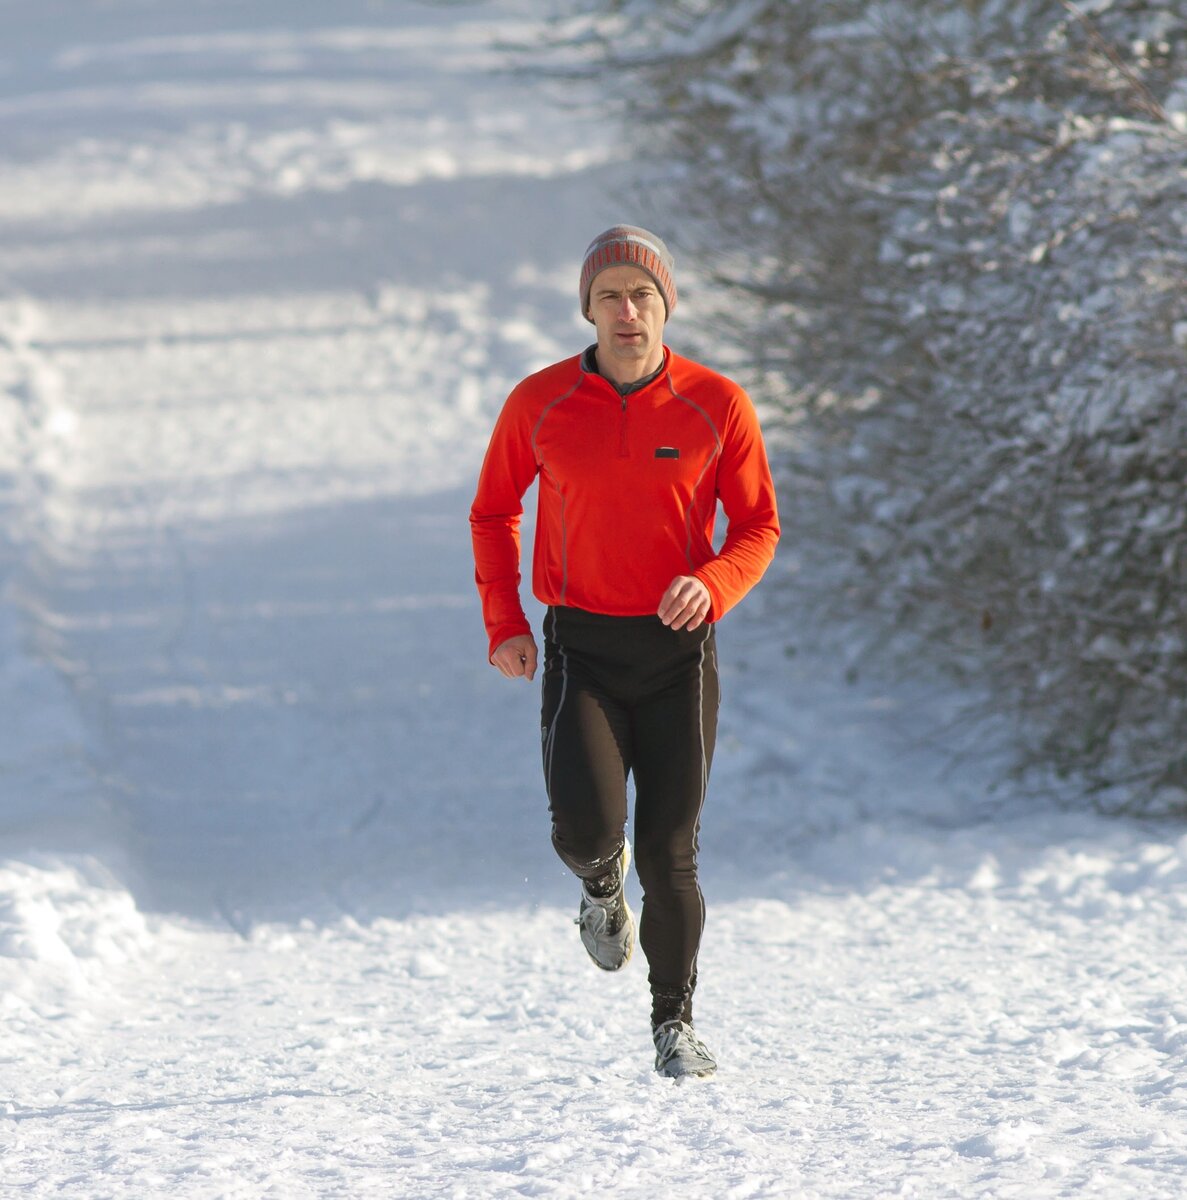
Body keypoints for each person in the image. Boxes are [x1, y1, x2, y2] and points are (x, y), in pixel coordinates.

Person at [470, 225, 780, 1079]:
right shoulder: (540, 403)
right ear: (588, 309)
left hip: (678, 650)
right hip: (582, 647)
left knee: (670, 848)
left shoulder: (714, 405)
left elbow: (757, 526)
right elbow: (492, 512)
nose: (626, 309)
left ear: (664, 306)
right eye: (609, 295)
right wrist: (506, 622)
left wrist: (713, 583)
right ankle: (599, 892)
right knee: (585, 827)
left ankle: (673, 1023)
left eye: (641, 294)